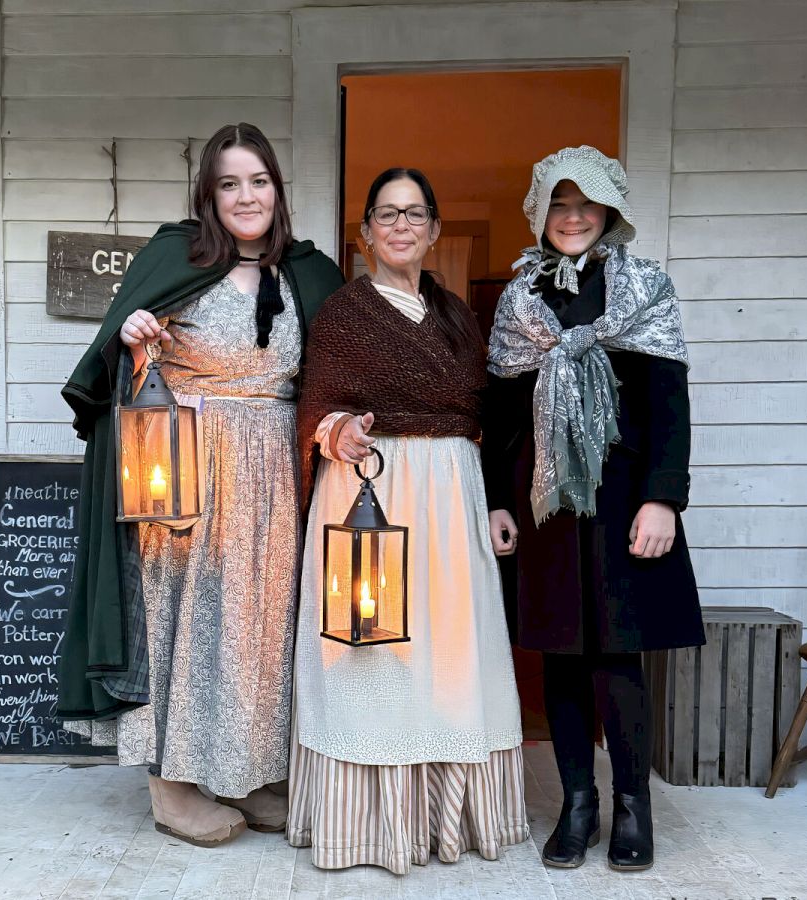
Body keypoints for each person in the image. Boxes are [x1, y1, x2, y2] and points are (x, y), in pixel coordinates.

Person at [56, 123, 343, 847]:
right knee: (183, 623)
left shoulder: (308, 273)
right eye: (229, 183)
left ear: (277, 190)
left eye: (258, 181)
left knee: (261, 628)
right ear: (208, 195)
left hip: (277, 473)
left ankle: (248, 772)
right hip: (184, 470)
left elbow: (335, 372)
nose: (246, 196)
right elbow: (114, 370)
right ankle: (173, 786)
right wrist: (136, 345)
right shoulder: (172, 258)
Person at [288, 168, 528, 875]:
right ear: (365, 234)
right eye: (386, 214)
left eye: (415, 213)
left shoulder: (457, 316)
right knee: (373, 657)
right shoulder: (342, 314)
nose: (401, 225)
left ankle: (446, 818)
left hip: (452, 498)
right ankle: (365, 825)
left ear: (432, 229)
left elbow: (482, 421)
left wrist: (494, 502)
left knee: (453, 652)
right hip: (372, 496)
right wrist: (339, 433)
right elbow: (315, 406)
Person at [482, 145, 703, 871]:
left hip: (622, 500)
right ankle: (578, 803)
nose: (572, 217)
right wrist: (496, 502)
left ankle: (632, 806)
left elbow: (670, 404)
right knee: (562, 658)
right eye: (559, 204)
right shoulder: (521, 300)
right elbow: (503, 414)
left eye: (586, 204)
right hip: (545, 502)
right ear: (539, 212)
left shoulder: (644, 289)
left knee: (618, 659)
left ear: (610, 209)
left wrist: (663, 499)